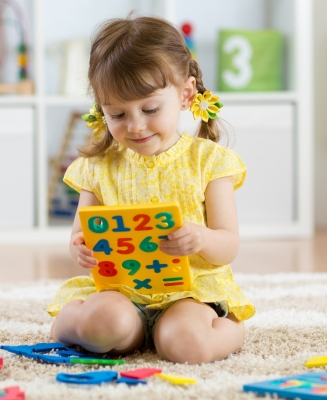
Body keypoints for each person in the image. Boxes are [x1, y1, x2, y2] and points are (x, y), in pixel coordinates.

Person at [47, 15, 255, 365]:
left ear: (185, 95)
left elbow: (228, 245)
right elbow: (81, 235)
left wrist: (201, 239)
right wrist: (80, 249)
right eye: (117, 114)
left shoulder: (210, 162)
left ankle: (231, 328)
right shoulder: (98, 168)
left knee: (187, 345)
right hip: (122, 293)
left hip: (189, 294)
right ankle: (82, 325)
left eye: (150, 109)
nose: (136, 126)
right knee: (103, 326)